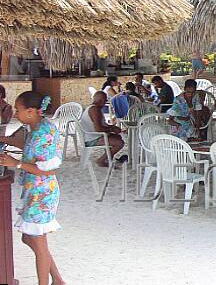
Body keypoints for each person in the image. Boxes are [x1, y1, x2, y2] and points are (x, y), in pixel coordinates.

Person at [0, 91, 65, 285]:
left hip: (42, 194)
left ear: (30, 112)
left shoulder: (42, 134)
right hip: (36, 192)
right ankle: (59, 281)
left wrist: (16, 164)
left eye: (18, 110)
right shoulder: (38, 126)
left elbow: (48, 171)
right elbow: (27, 145)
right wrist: (4, 140)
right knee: (30, 239)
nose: (15, 114)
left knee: (38, 241)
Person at [80, 91, 125, 167]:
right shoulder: (95, 110)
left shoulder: (92, 108)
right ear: (101, 100)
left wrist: (112, 127)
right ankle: (101, 160)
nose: (106, 102)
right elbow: (98, 129)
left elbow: (100, 125)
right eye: (105, 100)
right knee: (120, 143)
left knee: (118, 137)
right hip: (92, 139)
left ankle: (108, 158)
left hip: (92, 136)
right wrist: (112, 129)